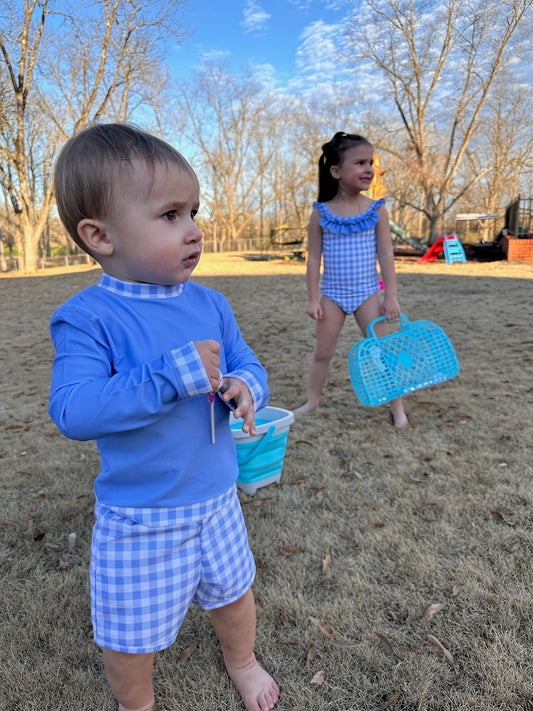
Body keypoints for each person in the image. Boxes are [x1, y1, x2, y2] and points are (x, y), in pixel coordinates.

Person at [49, 123, 280, 711]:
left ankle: (244, 660)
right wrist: (170, 377)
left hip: (218, 498)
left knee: (234, 593)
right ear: (100, 235)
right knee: (130, 632)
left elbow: (248, 361)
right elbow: (74, 409)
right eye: (170, 215)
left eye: (194, 211)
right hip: (141, 517)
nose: (195, 230)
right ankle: (137, 704)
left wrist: (245, 385)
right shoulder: (90, 317)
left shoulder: (211, 303)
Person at [295, 132, 409, 427]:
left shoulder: (376, 210)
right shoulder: (320, 213)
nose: (369, 169)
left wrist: (391, 296)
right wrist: (312, 299)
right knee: (322, 352)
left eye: (370, 162)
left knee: (384, 351)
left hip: (368, 295)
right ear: (335, 171)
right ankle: (312, 400)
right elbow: (314, 259)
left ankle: (397, 407)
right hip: (332, 295)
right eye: (360, 162)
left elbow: (386, 255)